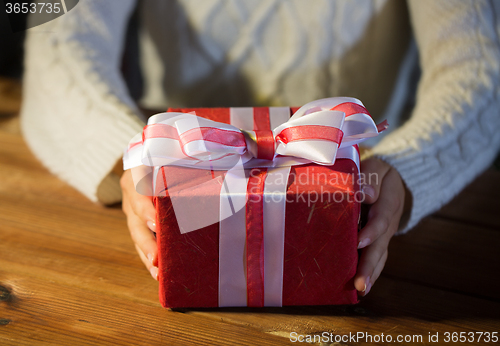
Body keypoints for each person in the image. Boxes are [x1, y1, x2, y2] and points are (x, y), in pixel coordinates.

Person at [20, 0, 500, 296]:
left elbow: (481, 68)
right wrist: (131, 156)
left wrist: (407, 165)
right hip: (184, 166)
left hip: (349, 175)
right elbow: (57, 41)